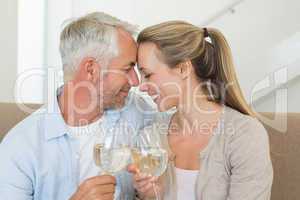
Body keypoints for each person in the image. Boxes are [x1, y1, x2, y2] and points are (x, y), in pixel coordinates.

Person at [0, 12, 155, 200]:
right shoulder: (20, 147)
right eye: (127, 69)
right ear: (91, 69)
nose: (135, 81)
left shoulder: (138, 111)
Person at [128, 21, 273, 200]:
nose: (141, 86)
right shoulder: (151, 137)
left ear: (183, 68)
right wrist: (149, 196)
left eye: (148, 74)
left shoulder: (244, 135)